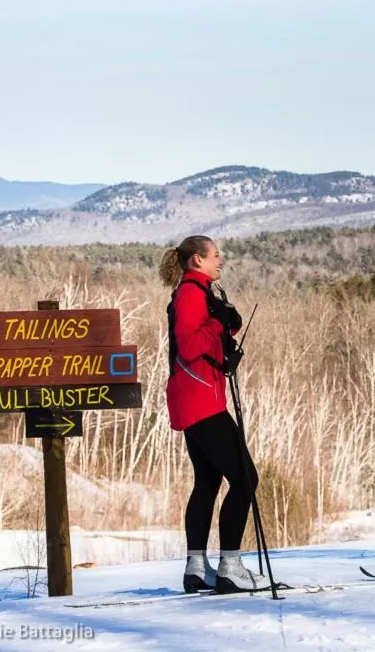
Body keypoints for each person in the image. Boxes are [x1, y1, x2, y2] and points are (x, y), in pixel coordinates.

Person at [159, 235, 269, 593]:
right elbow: (191, 344)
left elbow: (210, 331)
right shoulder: (191, 293)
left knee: (207, 481)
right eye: (215, 255)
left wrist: (228, 326)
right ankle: (229, 566)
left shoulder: (201, 293)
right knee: (245, 479)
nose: (220, 260)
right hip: (200, 399)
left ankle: (196, 568)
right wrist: (218, 326)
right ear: (196, 260)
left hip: (195, 396)